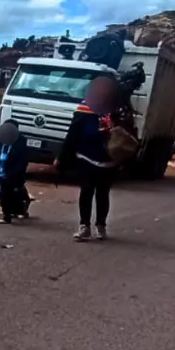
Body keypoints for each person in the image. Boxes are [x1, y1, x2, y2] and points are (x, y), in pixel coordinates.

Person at [56, 76, 122, 241]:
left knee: (101, 193)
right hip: (87, 158)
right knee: (88, 192)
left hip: (108, 160)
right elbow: (73, 134)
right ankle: (85, 226)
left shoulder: (117, 111)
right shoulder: (84, 108)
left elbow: (125, 135)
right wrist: (63, 156)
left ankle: (100, 226)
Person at [0, 119, 30, 224]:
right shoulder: (3, 141)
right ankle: (14, 211)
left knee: (8, 194)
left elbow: (23, 161)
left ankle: (7, 216)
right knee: (6, 193)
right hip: (2, 171)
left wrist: (15, 173)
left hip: (13, 173)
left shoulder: (20, 144)